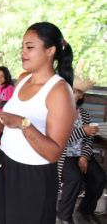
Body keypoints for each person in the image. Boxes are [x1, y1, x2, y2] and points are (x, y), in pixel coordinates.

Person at [0, 22, 75, 224]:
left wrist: (24, 123)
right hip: (6, 163)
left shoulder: (59, 91)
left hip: (33, 176)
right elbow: (9, 125)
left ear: (50, 50)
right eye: (22, 47)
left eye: (30, 47)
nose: (23, 52)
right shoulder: (23, 79)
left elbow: (53, 152)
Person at [57, 75, 105, 224]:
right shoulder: (58, 112)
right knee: (75, 178)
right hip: (64, 155)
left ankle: (85, 210)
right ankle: (64, 215)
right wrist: (82, 131)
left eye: (80, 93)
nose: (78, 95)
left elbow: (89, 137)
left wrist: (84, 156)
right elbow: (60, 138)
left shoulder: (84, 114)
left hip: (81, 154)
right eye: (75, 91)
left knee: (99, 178)